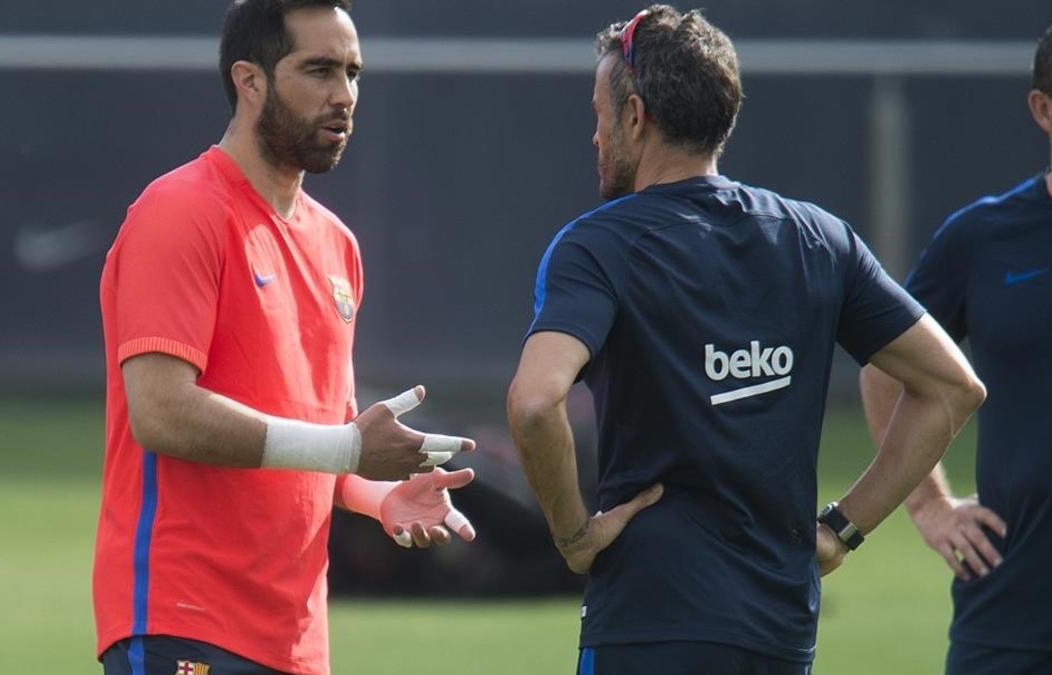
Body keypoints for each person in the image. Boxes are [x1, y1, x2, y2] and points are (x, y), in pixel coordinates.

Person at [506, 5, 987, 674]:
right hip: (780, 630)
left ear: (636, 115)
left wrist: (574, 534)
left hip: (648, 624)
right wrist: (843, 527)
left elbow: (535, 403)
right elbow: (953, 385)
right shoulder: (818, 237)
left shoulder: (598, 245)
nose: (594, 136)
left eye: (599, 114)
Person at [92, 2, 478, 673]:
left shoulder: (338, 245)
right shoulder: (180, 210)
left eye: (354, 72)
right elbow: (160, 411)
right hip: (183, 621)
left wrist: (379, 492)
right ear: (251, 81)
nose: (344, 95)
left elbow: (319, 442)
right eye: (319, 70)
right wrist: (352, 447)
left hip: (297, 644)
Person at [859, 9, 1052, 675]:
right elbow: (886, 366)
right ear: (1045, 109)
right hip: (1013, 613)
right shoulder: (982, 238)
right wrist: (929, 505)